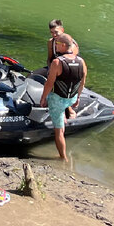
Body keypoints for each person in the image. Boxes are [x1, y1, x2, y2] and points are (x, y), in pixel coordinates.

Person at [39, 32, 87, 161]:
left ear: (63, 45)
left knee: (59, 132)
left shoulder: (57, 62)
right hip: (71, 98)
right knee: (63, 108)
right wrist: (78, 97)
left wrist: (43, 98)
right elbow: (82, 82)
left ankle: (63, 158)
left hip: (58, 101)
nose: (55, 47)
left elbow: (49, 83)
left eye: (57, 44)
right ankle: (65, 115)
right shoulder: (81, 61)